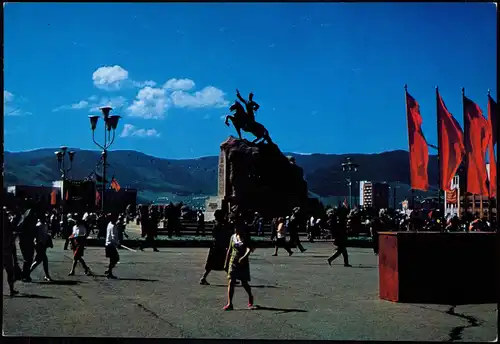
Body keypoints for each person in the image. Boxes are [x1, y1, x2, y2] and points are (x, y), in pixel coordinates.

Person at [223, 218, 255, 311]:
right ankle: (230, 303)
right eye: (235, 228)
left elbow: (249, 249)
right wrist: (226, 262)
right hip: (233, 262)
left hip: (243, 263)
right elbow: (229, 250)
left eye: (238, 227)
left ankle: (250, 295)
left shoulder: (245, 237)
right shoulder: (232, 237)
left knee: (244, 283)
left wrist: (244, 257)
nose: (236, 229)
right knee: (231, 282)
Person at [200, 210, 231, 285]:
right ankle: (203, 278)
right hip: (218, 247)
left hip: (216, 246)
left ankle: (230, 277)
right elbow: (221, 236)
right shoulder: (219, 225)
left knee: (220, 263)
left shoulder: (218, 224)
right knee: (224, 262)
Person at [29, 213, 53, 281]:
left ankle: (27, 273)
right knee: (43, 260)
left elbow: (45, 234)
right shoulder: (38, 225)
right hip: (39, 244)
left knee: (39, 260)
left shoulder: (44, 225)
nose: (46, 218)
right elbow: (36, 236)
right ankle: (47, 276)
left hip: (43, 244)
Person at [3, 209, 19, 296]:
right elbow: (11, 239)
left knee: (9, 271)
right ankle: (11, 290)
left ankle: (12, 290)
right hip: (7, 251)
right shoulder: (8, 224)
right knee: (10, 271)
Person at [105, 214, 120, 279]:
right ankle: (109, 272)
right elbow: (113, 237)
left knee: (112, 259)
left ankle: (109, 271)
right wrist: (118, 243)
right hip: (111, 244)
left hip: (108, 244)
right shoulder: (113, 226)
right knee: (116, 258)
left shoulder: (109, 224)